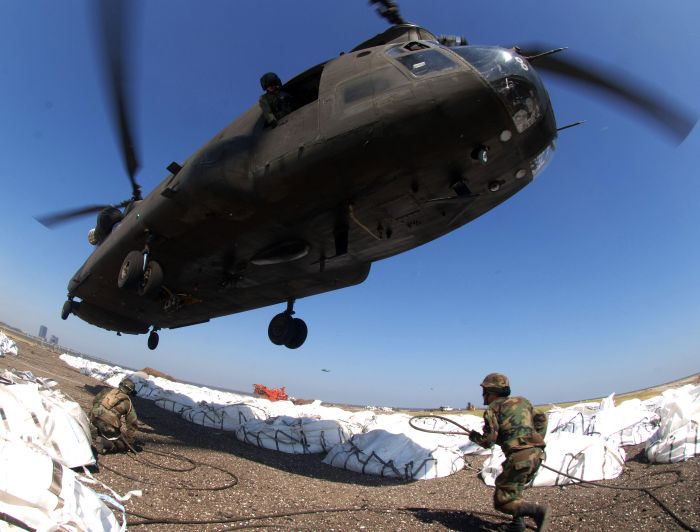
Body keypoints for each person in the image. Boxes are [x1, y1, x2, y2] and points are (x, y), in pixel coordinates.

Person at [469, 373, 550, 532]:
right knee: (514, 489)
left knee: (503, 501)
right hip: (538, 454)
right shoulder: (522, 401)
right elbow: (542, 418)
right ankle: (517, 526)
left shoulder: (492, 410)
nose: (482, 395)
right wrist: (536, 439)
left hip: (520, 457)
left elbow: (489, 441)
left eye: (484, 391)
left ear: (491, 392)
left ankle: (538, 512)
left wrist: (475, 438)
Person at [89, 377, 140, 454]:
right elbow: (132, 423)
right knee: (121, 445)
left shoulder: (107, 391)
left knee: (101, 425)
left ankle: (98, 434)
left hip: (93, 417)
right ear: (130, 391)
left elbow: (95, 401)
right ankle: (105, 443)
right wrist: (130, 441)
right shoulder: (128, 403)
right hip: (108, 425)